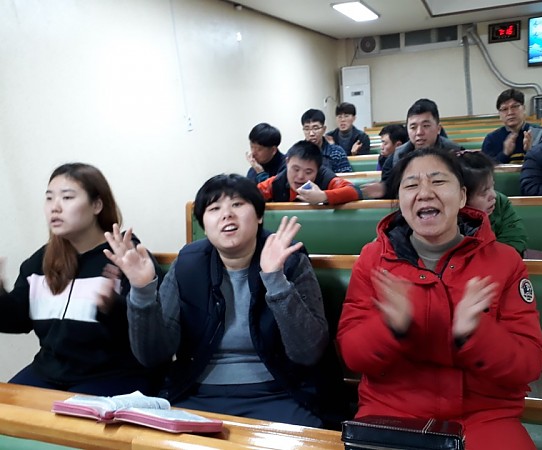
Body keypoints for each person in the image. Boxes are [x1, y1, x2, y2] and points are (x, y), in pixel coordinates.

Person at [337, 148, 542, 450]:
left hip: (485, 416)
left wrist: (476, 333)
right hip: (392, 411)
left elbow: (528, 363)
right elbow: (353, 355)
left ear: (462, 196)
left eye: (438, 181)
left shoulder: (505, 261)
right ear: (400, 200)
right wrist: (390, 327)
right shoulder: (373, 259)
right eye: (411, 185)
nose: (424, 193)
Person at [105, 174, 343, 428]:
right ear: (204, 225)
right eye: (214, 208)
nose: (227, 214)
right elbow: (153, 356)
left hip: (281, 393)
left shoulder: (290, 258)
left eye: (238, 204)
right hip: (197, 394)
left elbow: (308, 352)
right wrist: (142, 290)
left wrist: (275, 279)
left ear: (259, 216)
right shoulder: (187, 264)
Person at [0, 163, 163, 395]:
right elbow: (17, 320)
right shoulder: (39, 262)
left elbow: (156, 340)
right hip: (48, 373)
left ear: (97, 205)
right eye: (49, 198)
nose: (55, 207)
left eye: (67, 197)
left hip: (114, 375)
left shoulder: (128, 257)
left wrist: (114, 307)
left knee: (68, 415)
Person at [363, 99, 463, 199]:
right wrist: (384, 190)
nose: (419, 132)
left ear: (438, 129)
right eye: (413, 127)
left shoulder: (456, 154)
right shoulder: (395, 157)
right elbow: (390, 190)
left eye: (426, 126)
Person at [457, 151, 527, 255]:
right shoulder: (448, 216)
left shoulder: (500, 202)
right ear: (462, 197)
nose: (493, 195)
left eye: (492, 186)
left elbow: (516, 240)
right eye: (484, 192)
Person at [257, 140, 362, 205]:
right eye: (296, 169)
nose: (300, 176)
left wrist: (323, 196)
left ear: (318, 169)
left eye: (308, 172)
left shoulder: (325, 178)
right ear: (287, 162)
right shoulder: (277, 182)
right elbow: (252, 194)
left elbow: (355, 191)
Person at [482, 89, 542, 164]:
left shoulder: (541, 134)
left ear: (524, 108)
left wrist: (531, 151)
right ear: (499, 114)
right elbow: (485, 168)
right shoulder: (491, 139)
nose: (510, 112)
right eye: (504, 109)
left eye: (514, 106)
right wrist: (505, 153)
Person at [301, 108, 352, 173]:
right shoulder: (297, 153)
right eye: (307, 129)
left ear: (324, 129)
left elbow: (346, 177)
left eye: (315, 128)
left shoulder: (337, 152)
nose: (311, 134)